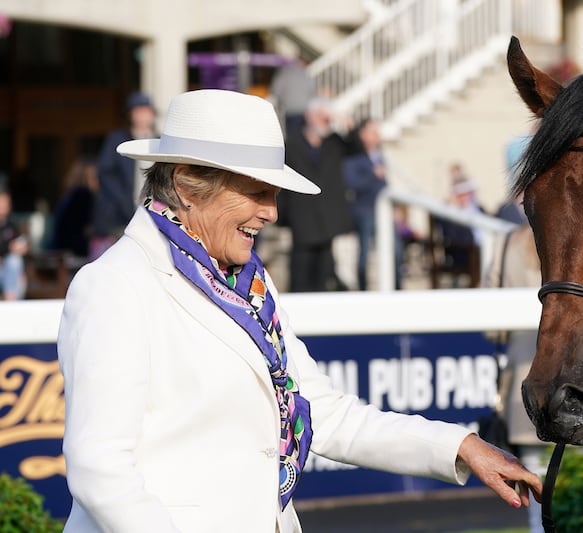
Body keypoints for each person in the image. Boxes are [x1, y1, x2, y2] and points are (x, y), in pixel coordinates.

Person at [57, 89, 542, 533]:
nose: (271, 212)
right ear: (187, 183)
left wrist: (460, 446)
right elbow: (101, 469)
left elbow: (326, 415)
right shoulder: (115, 285)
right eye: (256, 192)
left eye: (274, 195)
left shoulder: (249, 283)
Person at [482, 224, 547, 533]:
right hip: (579, 381)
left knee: (534, 480)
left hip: (525, 378)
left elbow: (492, 327)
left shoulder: (505, 244)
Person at [280, 98, 355, 292]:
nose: (325, 121)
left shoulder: (334, 143)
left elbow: (358, 148)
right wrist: (283, 216)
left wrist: (345, 122)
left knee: (325, 277)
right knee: (300, 277)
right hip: (302, 221)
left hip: (327, 222)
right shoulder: (292, 144)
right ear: (309, 116)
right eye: (321, 117)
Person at [90, 91, 156, 260]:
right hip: (117, 218)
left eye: (146, 110)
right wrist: (124, 202)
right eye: (138, 111)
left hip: (151, 215)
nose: (142, 115)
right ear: (130, 114)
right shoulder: (118, 139)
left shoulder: (158, 142)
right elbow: (105, 173)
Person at [343, 118, 389, 290]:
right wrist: (373, 175)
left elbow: (385, 184)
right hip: (364, 210)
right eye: (373, 131)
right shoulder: (355, 156)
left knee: (394, 251)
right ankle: (363, 289)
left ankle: (394, 287)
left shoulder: (380, 156)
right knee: (365, 254)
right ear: (363, 134)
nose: (377, 135)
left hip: (382, 211)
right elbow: (350, 182)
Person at [49, 157, 98, 257]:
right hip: (73, 252)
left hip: (61, 248)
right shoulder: (82, 195)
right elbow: (82, 228)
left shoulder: (70, 195)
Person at [270, 58, 317, 137]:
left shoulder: (283, 73)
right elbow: (311, 91)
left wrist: (283, 100)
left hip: (290, 110)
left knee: (292, 136)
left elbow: (275, 90)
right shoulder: (305, 74)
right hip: (304, 111)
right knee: (302, 136)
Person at [0, 187, 27, 300]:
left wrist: (22, 247)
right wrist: (9, 248)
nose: (5, 205)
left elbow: (21, 242)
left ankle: (10, 299)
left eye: (7, 202)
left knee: (15, 262)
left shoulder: (11, 224)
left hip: (9, 270)